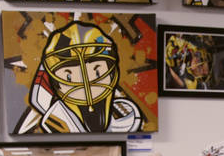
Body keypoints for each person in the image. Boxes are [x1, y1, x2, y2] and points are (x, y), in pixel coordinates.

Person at [13, 20, 144, 134]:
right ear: (54, 83)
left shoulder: (126, 119)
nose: (86, 86)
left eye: (97, 72)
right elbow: (39, 98)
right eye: (69, 76)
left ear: (111, 74)